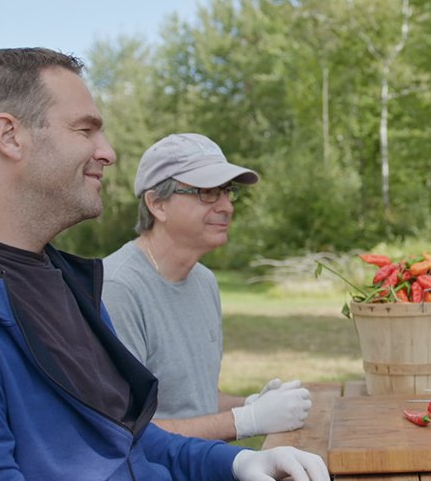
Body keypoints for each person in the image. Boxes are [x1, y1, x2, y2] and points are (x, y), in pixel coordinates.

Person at [0, 47, 381, 481]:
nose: (107, 152)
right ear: (10, 136)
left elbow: (127, 437)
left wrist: (236, 464)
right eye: (85, 129)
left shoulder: (64, 280)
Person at [103, 133, 310, 443]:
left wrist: (251, 403)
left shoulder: (204, 281)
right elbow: (127, 431)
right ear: (157, 203)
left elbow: (194, 402)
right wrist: (245, 421)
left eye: (227, 192)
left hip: (206, 472)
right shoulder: (118, 289)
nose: (227, 206)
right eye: (208, 192)